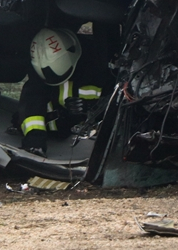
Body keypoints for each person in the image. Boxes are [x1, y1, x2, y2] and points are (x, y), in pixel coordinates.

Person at [17, 28, 112, 157]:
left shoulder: (98, 67)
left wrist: (92, 109)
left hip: (95, 143)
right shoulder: (39, 70)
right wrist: (34, 140)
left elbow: (116, 101)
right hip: (56, 136)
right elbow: (32, 105)